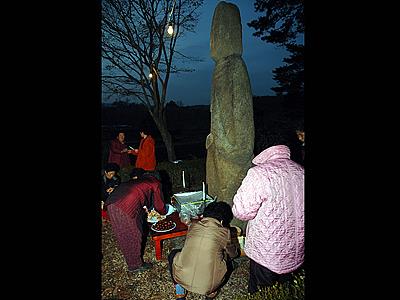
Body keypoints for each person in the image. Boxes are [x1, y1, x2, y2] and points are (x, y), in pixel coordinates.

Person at [232, 138, 304, 294]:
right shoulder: (300, 171)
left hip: (267, 254)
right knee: (286, 291)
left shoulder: (259, 174)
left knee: (263, 292)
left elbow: (241, 211)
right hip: (295, 250)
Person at [168, 201, 240, 300]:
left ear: (204, 215)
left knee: (172, 254)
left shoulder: (193, 225)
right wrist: (236, 252)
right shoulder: (224, 232)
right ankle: (211, 294)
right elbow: (232, 254)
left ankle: (179, 288)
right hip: (208, 286)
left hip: (181, 277)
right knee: (228, 261)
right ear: (222, 221)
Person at [104, 167, 167, 272]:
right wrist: (164, 212)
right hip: (124, 206)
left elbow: (139, 195)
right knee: (133, 234)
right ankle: (135, 265)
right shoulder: (155, 183)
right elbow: (159, 205)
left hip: (111, 202)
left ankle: (131, 259)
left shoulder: (140, 180)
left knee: (123, 233)